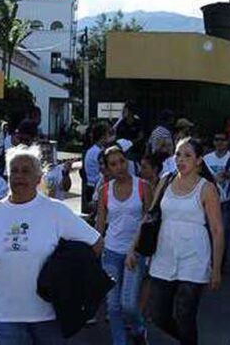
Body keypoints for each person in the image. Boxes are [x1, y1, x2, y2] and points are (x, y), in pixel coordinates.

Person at [0, 145, 103, 344]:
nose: (19, 176)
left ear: (38, 178)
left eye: (26, 171)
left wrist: (70, 280)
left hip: (49, 317)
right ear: (7, 175)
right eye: (14, 170)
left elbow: (96, 243)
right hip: (5, 316)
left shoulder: (56, 211)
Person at [143, 139, 223, 345]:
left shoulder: (207, 188)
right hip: (164, 255)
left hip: (194, 258)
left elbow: (217, 230)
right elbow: (150, 215)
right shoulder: (165, 181)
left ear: (198, 160)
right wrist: (134, 249)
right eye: (178, 155)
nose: (181, 160)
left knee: (185, 314)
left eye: (187, 155)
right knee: (157, 314)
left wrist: (216, 268)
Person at [95, 145, 152, 345]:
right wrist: (96, 249)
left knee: (128, 303)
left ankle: (138, 329)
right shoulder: (104, 190)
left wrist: (141, 250)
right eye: (113, 164)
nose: (119, 166)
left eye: (122, 161)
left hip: (134, 252)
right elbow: (100, 224)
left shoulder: (143, 186)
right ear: (107, 168)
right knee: (112, 305)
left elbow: (149, 220)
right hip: (111, 251)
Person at [204, 132, 230, 268]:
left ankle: (220, 262)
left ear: (227, 142)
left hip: (226, 202)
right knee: (208, 232)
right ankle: (210, 261)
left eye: (222, 139)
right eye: (216, 139)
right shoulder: (206, 158)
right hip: (209, 201)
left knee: (224, 233)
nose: (219, 142)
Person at [83, 121, 112, 214]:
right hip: (95, 187)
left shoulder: (93, 150)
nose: (110, 137)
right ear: (103, 136)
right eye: (108, 134)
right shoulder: (97, 152)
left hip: (92, 186)